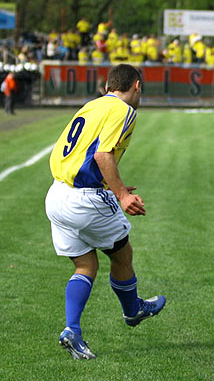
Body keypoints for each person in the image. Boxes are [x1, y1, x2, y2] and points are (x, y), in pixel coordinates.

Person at [45, 64, 166, 360]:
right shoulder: (125, 110)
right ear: (136, 85)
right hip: (85, 200)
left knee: (85, 266)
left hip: (57, 194)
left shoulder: (92, 105)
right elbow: (102, 154)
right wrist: (122, 195)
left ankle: (72, 330)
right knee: (122, 255)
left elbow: (84, 153)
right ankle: (133, 309)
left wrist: (111, 184)